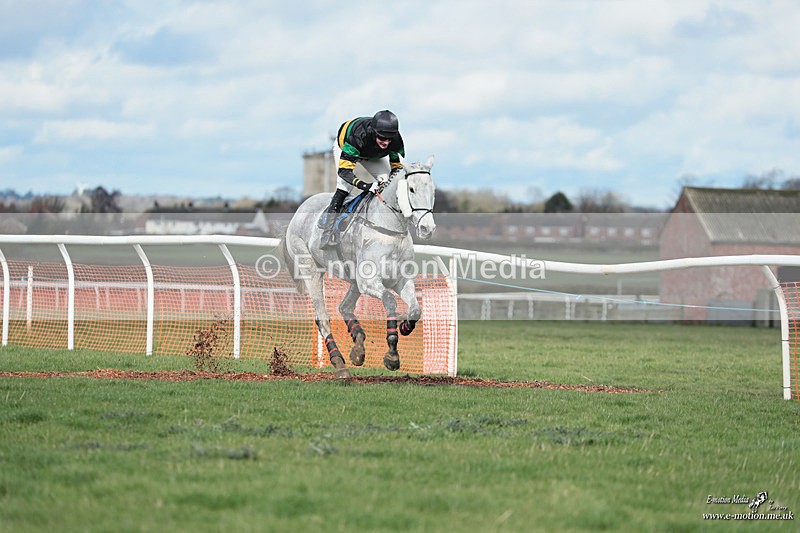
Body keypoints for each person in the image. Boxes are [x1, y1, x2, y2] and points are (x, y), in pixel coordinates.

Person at [320, 110, 405, 248]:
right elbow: (344, 172)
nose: (386, 142)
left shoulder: (395, 139)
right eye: (382, 138)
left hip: (372, 155)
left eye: (389, 139)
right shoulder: (358, 137)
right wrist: (366, 185)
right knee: (344, 187)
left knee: (387, 181)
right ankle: (327, 233)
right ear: (374, 133)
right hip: (346, 146)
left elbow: (397, 168)